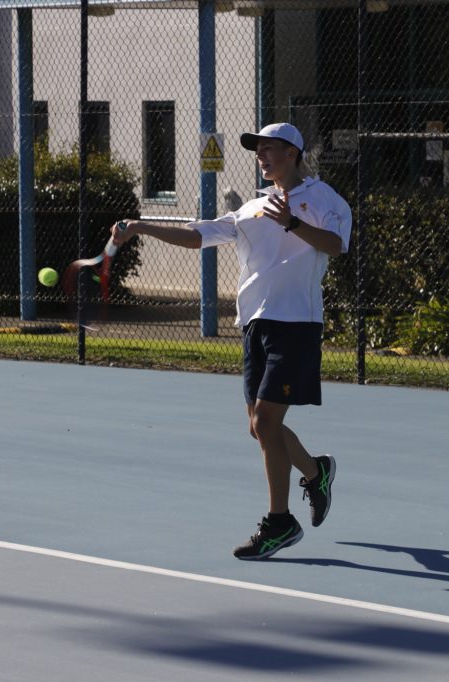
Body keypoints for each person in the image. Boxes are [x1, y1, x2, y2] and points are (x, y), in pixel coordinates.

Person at [111, 122, 352, 560]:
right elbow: (197, 235)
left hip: (296, 324)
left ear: (294, 154)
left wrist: (294, 222)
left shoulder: (323, 199)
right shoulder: (254, 208)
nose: (262, 156)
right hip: (254, 325)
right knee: (260, 427)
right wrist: (141, 227)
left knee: (266, 424)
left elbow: (336, 245)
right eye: (258, 150)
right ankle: (316, 472)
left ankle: (280, 523)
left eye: (271, 149)